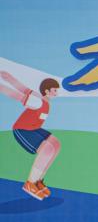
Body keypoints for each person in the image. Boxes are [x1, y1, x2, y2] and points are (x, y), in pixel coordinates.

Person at [1, 72, 62, 200]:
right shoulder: (37, 102)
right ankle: (30, 183)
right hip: (22, 130)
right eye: (55, 90)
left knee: (55, 144)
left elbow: (23, 88)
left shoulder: (42, 100)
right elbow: (16, 95)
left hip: (34, 128)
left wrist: (8, 77)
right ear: (47, 91)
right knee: (47, 149)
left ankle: (38, 181)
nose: (57, 93)